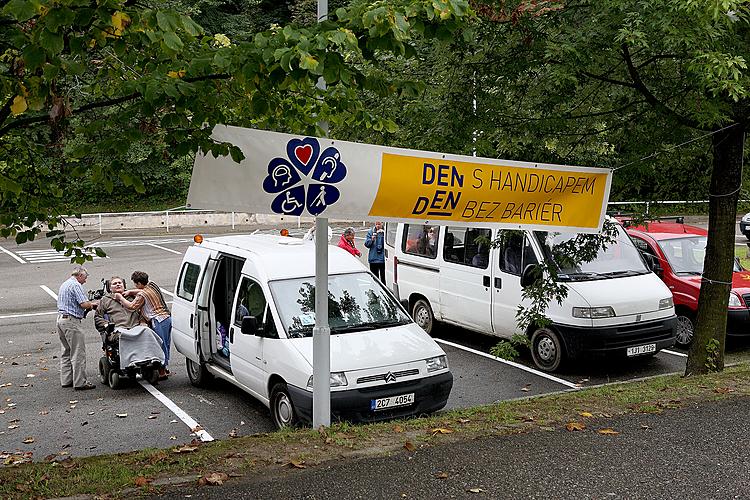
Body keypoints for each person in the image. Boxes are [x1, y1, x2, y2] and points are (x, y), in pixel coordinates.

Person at [116, 271, 172, 379]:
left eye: (135, 284)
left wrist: (121, 298)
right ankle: (164, 368)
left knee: (160, 344)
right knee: (166, 344)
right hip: (167, 318)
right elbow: (141, 290)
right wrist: (131, 292)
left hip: (158, 320)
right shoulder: (152, 285)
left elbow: (132, 306)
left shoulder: (142, 294)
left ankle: (162, 370)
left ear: (138, 283)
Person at [56, 266, 99, 391]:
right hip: (71, 321)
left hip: (60, 319)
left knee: (66, 352)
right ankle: (80, 382)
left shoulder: (65, 284)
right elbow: (84, 304)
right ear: (80, 275)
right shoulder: (76, 285)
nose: (85, 281)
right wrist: (93, 304)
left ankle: (66, 380)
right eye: (85, 278)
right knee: (78, 352)